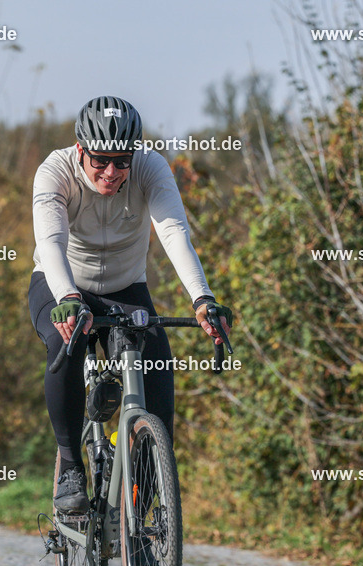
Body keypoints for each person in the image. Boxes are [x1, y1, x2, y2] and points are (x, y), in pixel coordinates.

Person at [28, 96, 233, 514]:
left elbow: (173, 232)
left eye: (121, 161)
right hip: (62, 284)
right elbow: (51, 242)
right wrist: (68, 297)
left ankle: (140, 506)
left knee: (157, 372)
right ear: (81, 150)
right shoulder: (55, 170)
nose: (111, 172)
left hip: (125, 288)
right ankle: (70, 467)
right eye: (100, 160)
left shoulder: (150, 167)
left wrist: (202, 297)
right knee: (65, 343)